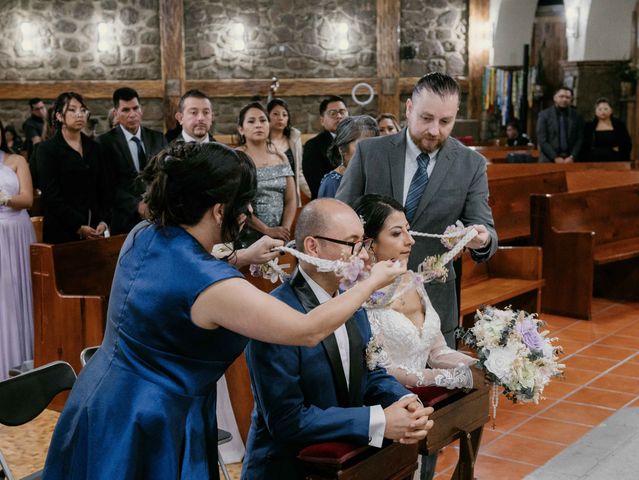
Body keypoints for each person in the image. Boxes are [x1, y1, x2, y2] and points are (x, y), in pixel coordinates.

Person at [42, 142, 406, 479]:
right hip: (155, 421)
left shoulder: (146, 233)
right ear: (219, 210)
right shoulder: (213, 286)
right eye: (243, 206)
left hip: (100, 399)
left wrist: (243, 257)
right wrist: (368, 284)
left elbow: (184, 268)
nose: (247, 214)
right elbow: (307, 329)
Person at [242, 198, 433, 479]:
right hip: (287, 469)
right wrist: (378, 420)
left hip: (343, 465)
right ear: (312, 246)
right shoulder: (276, 315)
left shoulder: (348, 301)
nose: (365, 256)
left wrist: (406, 400)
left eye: (362, 243)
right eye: (352, 243)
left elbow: (372, 373)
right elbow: (287, 420)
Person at [336, 72, 498, 347]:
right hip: (369, 293)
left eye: (446, 121)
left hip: (433, 297)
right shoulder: (370, 153)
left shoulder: (470, 165)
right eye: (426, 118)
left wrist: (481, 239)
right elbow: (341, 216)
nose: (435, 130)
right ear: (409, 109)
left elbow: (487, 233)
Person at [353, 194, 484, 480]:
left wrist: (480, 365)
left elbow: (437, 350)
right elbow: (383, 368)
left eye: (409, 231)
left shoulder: (411, 278)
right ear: (369, 244)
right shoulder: (358, 295)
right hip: (387, 408)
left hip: (421, 406)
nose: (410, 241)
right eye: (397, 233)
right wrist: (452, 378)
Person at [36, 92, 110, 244]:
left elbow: (105, 187)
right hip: (62, 229)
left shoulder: (95, 148)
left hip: (95, 228)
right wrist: (78, 225)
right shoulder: (47, 149)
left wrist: (104, 220)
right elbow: (51, 195)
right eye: (72, 110)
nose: (79, 115)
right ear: (59, 116)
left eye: (83, 110)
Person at [97, 87, 167, 234]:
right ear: (116, 113)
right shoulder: (104, 143)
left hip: (158, 215)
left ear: (141, 110)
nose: (132, 114)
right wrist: (137, 205)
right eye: (126, 110)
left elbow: (165, 175)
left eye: (135, 108)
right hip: (124, 218)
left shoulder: (158, 138)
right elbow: (107, 185)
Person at [0, 120, 36, 381]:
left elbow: (27, 199)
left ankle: (23, 362)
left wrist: (4, 199)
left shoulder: (15, 160)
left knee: (18, 292)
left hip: (17, 231)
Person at [236, 101, 296, 245]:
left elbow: (290, 200)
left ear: (269, 125)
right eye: (251, 121)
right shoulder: (236, 158)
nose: (258, 125)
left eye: (263, 120)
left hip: (279, 237)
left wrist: (284, 230)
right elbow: (237, 204)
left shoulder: (281, 157)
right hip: (246, 236)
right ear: (241, 129)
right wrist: (267, 230)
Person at [318, 115, 379, 198]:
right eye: (363, 146)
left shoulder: (374, 177)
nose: (370, 151)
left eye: (374, 145)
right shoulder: (332, 183)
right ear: (342, 149)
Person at [302, 95, 349, 198]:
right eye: (333, 113)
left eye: (342, 112)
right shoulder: (313, 146)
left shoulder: (356, 142)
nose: (339, 116)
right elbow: (316, 186)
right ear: (322, 120)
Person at [267, 97, 310, 204]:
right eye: (275, 114)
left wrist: (313, 194)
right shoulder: (261, 140)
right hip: (268, 196)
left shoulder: (294, 138)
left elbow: (298, 172)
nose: (280, 118)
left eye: (284, 115)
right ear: (267, 116)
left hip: (290, 196)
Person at [536, 86, 584, 163]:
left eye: (568, 97)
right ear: (555, 98)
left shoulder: (577, 116)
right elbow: (542, 140)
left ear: (571, 99)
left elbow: (580, 138)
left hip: (571, 160)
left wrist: (572, 156)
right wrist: (555, 157)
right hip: (548, 159)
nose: (564, 99)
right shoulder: (544, 115)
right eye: (561, 96)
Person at [580, 97, 632, 162]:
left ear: (611, 110)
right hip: (594, 160)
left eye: (606, 109)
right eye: (600, 109)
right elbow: (584, 146)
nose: (603, 111)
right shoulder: (589, 127)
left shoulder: (619, 125)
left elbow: (627, 143)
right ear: (595, 111)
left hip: (615, 160)